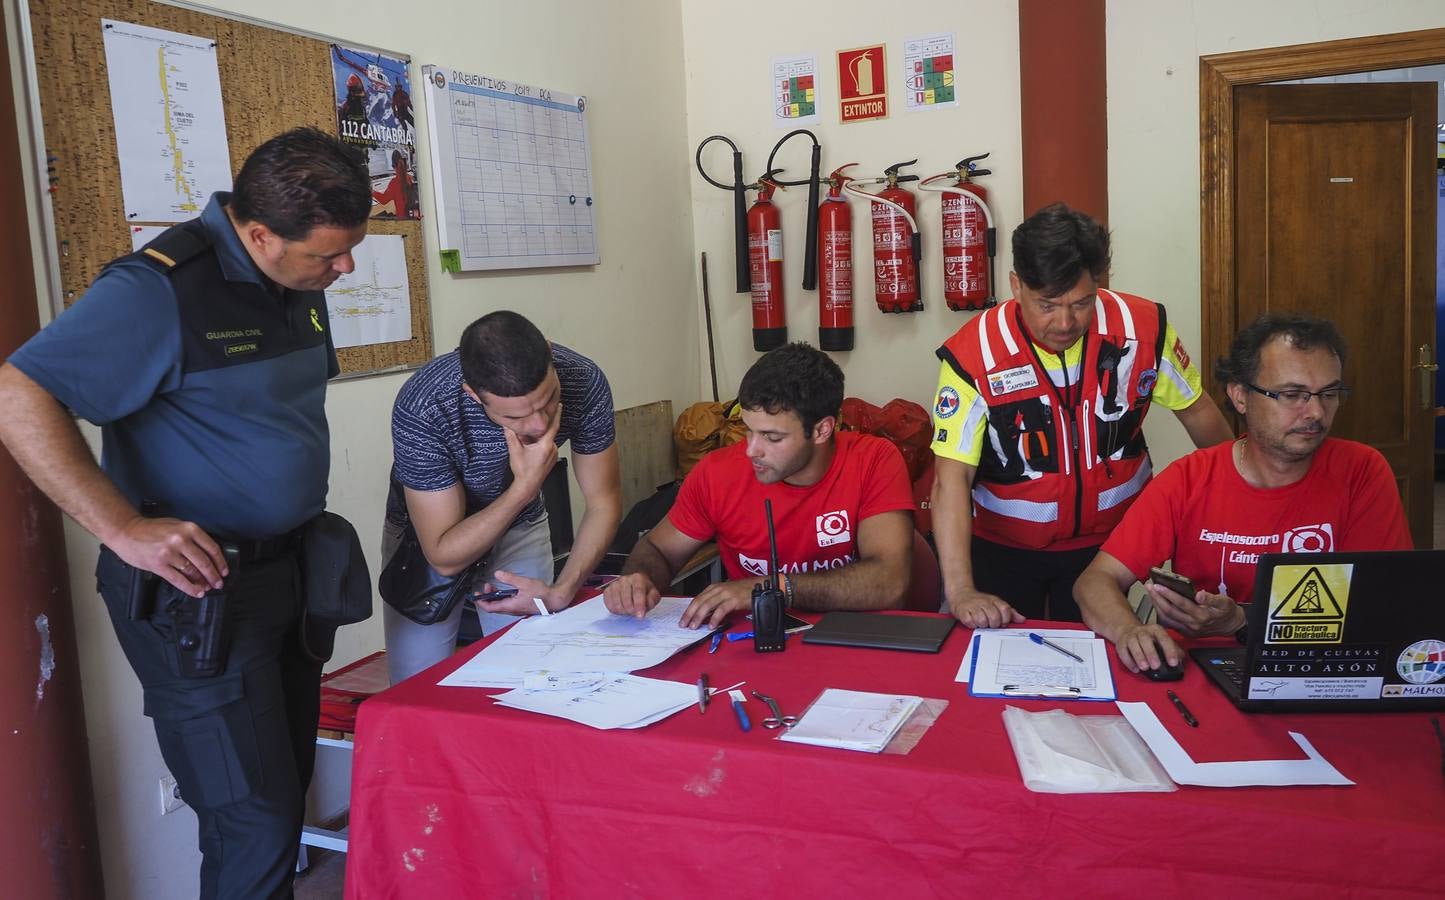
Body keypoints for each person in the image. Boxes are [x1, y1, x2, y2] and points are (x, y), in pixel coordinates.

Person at [0, 128, 370, 899]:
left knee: (277, 794)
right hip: (198, 597)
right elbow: (18, 394)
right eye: (328, 255)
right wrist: (120, 526)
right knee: (253, 820)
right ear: (260, 232)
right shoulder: (158, 289)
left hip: (290, 578)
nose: (346, 268)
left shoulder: (296, 283)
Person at [929, 202, 1233, 628]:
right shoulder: (973, 355)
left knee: (1112, 668)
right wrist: (960, 590)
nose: (1066, 322)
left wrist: (1239, 500)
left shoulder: (1144, 328)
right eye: (1048, 305)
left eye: (1082, 302)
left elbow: (1199, 411)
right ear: (1016, 286)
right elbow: (951, 478)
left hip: (1114, 548)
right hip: (1003, 548)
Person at [1073, 313, 1412, 674]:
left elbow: (1385, 603)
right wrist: (1131, 631)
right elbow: (1095, 581)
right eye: (1292, 394)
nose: (1315, 412)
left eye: (1329, 393)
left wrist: (1242, 621)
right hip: (1202, 672)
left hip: (1321, 671)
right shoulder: (1189, 479)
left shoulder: (1362, 471)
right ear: (1240, 396)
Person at [604, 342, 915, 628]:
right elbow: (658, 549)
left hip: (853, 640)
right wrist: (638, 579)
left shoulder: (874, 460)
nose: (751, 449)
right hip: (756, 640)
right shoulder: (717, 472)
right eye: (748, 430)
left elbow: (889, 582)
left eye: (772, 437)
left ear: (822, 430)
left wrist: (772, 587)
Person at [383, 311, 622, 683]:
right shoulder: (424, 405)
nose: (540, 425)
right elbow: (443, 556)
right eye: (516, 417)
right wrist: (525, 487)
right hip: (430, 534)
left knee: (528, 672)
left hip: (519, 524)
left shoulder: (583, 379)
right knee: (419, 682)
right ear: (473, 394)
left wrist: (562, 592)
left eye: (548, 401)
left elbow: (603, 501)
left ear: (548, 354)